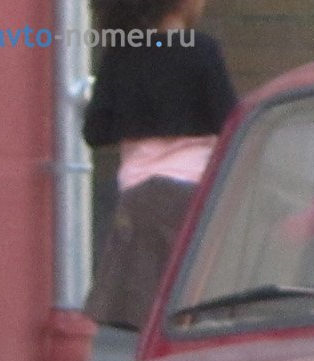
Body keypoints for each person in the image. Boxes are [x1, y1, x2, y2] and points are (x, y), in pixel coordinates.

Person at [82, 0, 237, 330]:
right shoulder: (201, 50)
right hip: (196, 195)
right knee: (192, 306)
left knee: (146, 316)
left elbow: (95, 131)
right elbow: (230, 122)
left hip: (139, 200)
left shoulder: (122, 53)